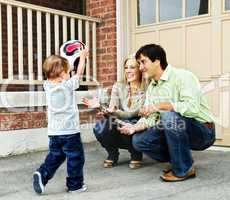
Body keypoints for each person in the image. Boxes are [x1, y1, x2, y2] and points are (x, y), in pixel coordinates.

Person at [118, 44, 216, 182]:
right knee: (139, 141)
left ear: (157, 60)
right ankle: (182, 160)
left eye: (143, 62)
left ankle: (183, 169)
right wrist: (133, 127)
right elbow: (150, 118)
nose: (140, 68)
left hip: (203, 130)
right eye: (139, 63)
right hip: (175, 126)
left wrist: (160, 106)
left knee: (168, 115)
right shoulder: (152, 86)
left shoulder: (183, 76)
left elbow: (192, 108)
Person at [32, 49, 88, 194]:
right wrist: (82, 57)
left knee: (56, 156)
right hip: (70, 132)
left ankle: (42, 174)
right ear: (63, 74)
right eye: (68, 72)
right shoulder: (67, 86)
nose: (70, 74)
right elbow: (79, 73)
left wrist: (64, 66)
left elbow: (59, 73)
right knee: (75, 158)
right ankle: (75, 186)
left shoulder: (47, 86)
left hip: (54, 133)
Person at [83, 55, 146, 169]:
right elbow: (112, 109)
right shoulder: (118, 86)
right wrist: (102, 108)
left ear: (140, 69)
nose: (128, 71)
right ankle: (113, 153)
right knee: (100, 128)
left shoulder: (146, 87)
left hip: (137, 122)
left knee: (129, 121)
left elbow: (134, 112)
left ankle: (136, 153)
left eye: (132, 67)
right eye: (126, 68)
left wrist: (115, 112)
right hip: (119, 120)